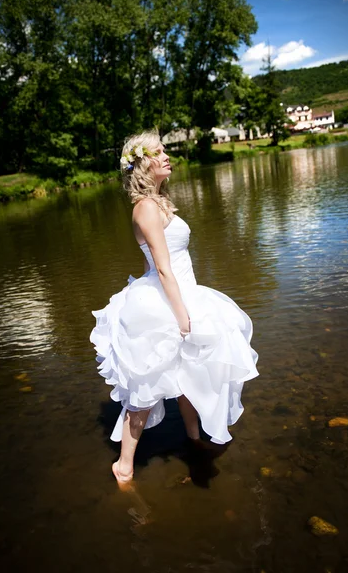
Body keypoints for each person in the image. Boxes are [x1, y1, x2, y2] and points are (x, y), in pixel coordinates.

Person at [90, 129, 259, 486]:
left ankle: (195, 440)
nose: (167, 155)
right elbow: (164, 268)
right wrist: (183, 316)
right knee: (147, 390)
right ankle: (124, 466)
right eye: (160, 151)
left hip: (186, 293)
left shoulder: (160, 201)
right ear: (143, 163)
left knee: (188, 377)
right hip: (166, 301)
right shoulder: (146, 207)